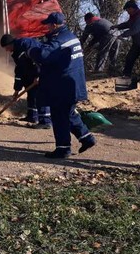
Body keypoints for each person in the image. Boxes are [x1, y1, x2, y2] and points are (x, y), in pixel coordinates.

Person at [14, 12, 96, 159]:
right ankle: (86, 138)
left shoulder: (59, 40)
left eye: (48, 25)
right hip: (73, 83)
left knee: (59, 116)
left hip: (63, 85)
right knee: (69, 113)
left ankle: (63, 149)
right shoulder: (71, 36)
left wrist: (30, 49)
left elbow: (43, 55)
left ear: (55, 25)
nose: (47, 28)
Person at [0, 33, 51, 128]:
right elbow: (19, 71)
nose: (6, 50)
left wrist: (40, 75)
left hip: (41, 71)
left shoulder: (26, 44)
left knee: (40, 95)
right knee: (31, 93)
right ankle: (32, 116)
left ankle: (45, 121)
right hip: (30, 74)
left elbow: (40, 57)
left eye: (6, 47)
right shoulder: (15, 53)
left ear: (11, 44)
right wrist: (17, 90)